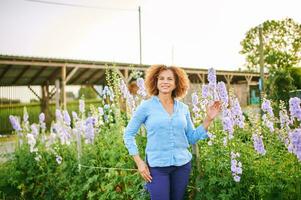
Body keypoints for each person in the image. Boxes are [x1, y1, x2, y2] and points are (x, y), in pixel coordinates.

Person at [123, 65, 221, 200]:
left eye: (170, 79)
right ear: (155, 82)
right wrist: (139, 162)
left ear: (176, 84)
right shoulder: (146, 107)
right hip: (157, 167)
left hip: (182, 166)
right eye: (161, 78)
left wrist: (208, 119)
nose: (165, 82)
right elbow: (128, 134)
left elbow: (190, 138)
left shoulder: (183, 108)